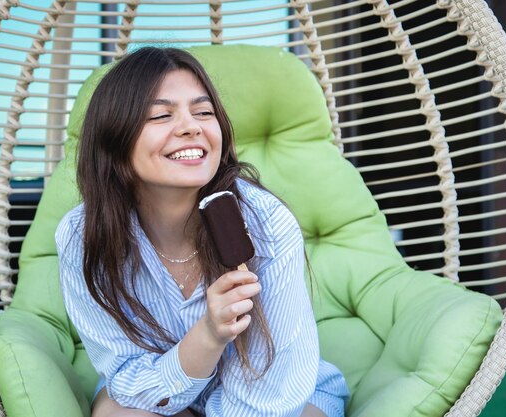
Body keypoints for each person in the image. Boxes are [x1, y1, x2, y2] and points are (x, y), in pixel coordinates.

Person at [55, 46, 350, 417]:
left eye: (204, 112)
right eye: (161, 115)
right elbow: (128, 381)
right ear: (115, 142)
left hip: (280, 399)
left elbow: (272, 398)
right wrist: (209, 334)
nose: (191, 126)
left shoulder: (265, 224)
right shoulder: (82, 236)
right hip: (161, 393)